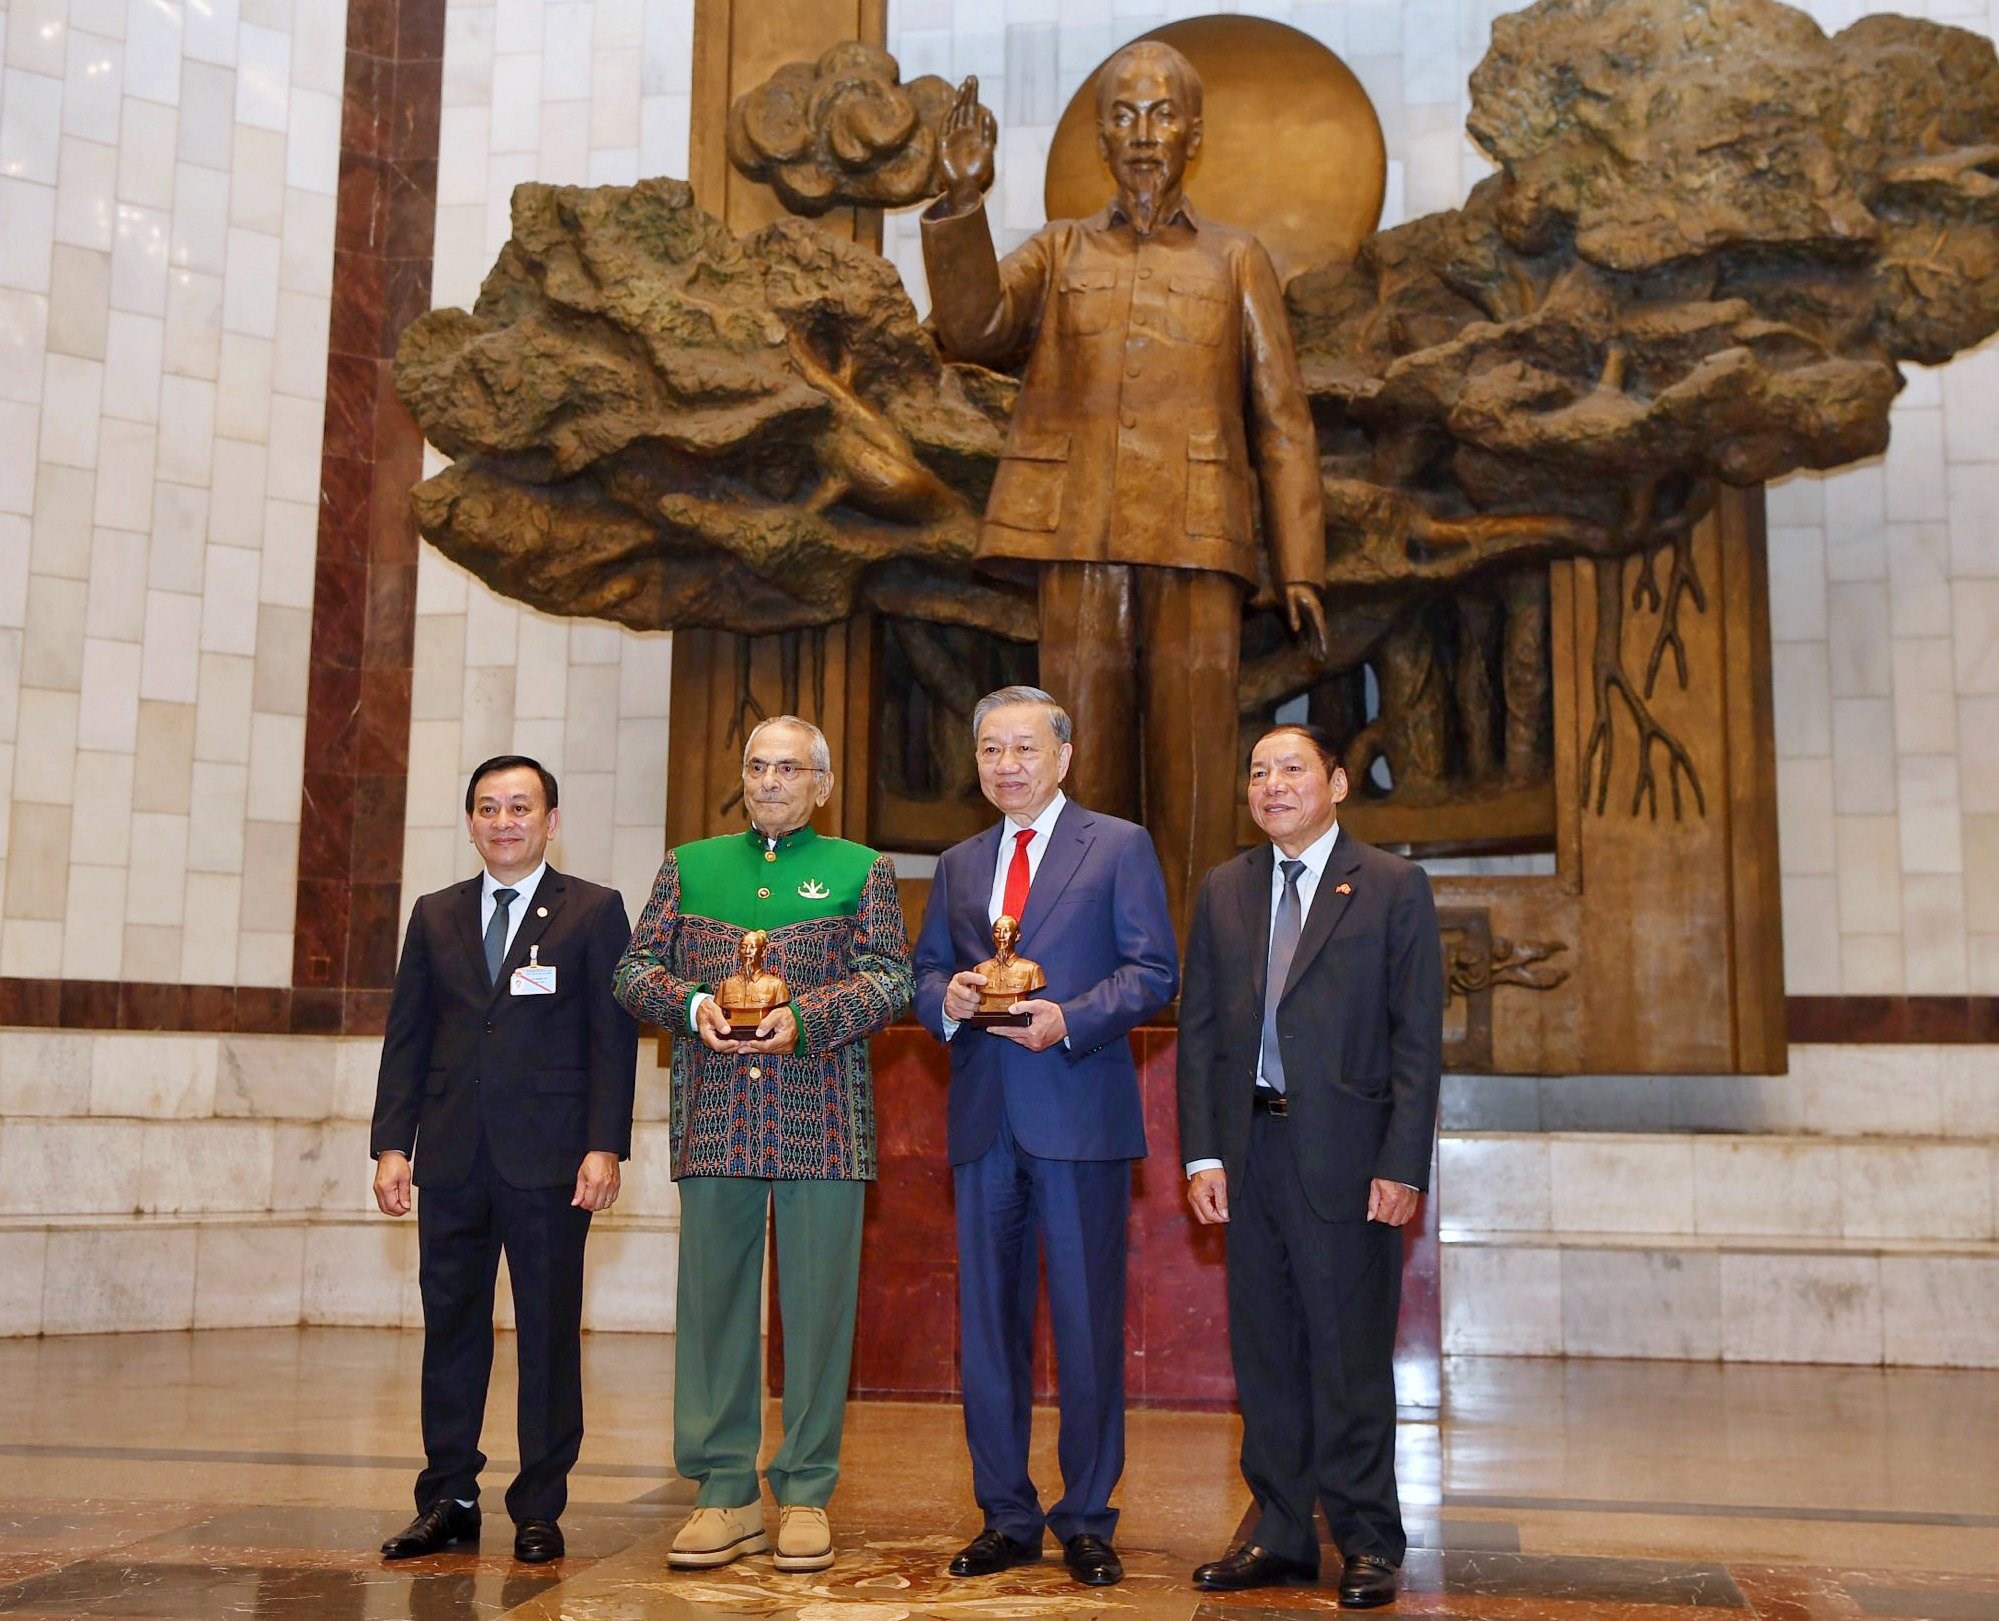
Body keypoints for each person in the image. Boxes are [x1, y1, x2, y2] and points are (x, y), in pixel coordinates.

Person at [921, 42, 1327, 937]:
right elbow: (975, 325)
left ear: (1194, 134)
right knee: (1081, 758)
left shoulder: (1235, 257)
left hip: (1198, 536)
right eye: (1123, 114)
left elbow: (1281, 418)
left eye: (1161, 114)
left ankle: (1189, 961)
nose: (1143, 134)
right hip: (1078, 535)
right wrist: (960, 202)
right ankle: (1078, 950)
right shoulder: (1061, 249)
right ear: (1100, 136)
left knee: (1194, 764)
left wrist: (1300, 561)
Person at [613, 716, 912, 1574]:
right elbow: (633, 968)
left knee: (817, 1307)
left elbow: (893, 977)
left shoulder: (862, 868)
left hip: (822, 1116)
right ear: (740, 775)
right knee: (711, 1307)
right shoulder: (689, 863)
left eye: (789, 767)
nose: (771, 780)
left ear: (820, 783)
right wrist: (693, 1004)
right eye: (756, 765)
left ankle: (808, 1488)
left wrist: (807, 1018)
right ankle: (723, 1490)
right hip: (714, 1112)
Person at [913, 685, 1179, 1588]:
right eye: (991, 749)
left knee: (1086, 1324)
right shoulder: (956, 863)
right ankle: (1006, 1515)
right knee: (986, 1330)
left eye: (1024, 748)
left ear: (1062, 756)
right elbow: (925, 974)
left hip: (1077, 1115)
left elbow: (1153, 970)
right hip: (983, 1120)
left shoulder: (1118, 844)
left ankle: (1087, 1517)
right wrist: (942, 1001)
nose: (1007, 765)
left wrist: (1070, 1017)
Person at [1176, 723, 1443, 1610]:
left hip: (1349, 1156)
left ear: (1334, 782)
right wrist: (1203, 1151)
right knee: (1266, 1355)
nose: (1272, 784)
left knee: (1348, 1354)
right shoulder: (1225, 888)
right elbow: (1203, 1034)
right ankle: (1281, 1531)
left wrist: (1402, 1160)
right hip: (1250, 1151)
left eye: (1292, 769)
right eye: (1257, 770)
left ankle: (1369, 1538)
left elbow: (1416, 1040)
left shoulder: (1392, 886)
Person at [371, 755, 639, 1566]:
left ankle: (539, 1506)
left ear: (551, 819)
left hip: (551, 1159)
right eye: (488, 807)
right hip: (451, 1157)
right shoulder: (435, 913)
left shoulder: (592, 911)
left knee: (548, 1333)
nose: (504, 820)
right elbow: (407, 1036)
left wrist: (605, 1143)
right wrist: (392, 1143)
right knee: (450, 1330)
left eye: (520, 806)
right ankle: (447, 1496)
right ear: (470, 821)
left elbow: (611, 1040)